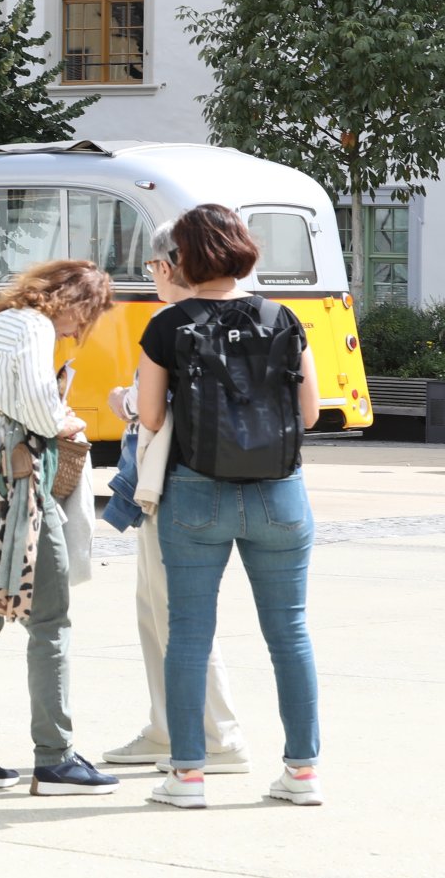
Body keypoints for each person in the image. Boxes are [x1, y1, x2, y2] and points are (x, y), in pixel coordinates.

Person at [137, 204, 323, 809]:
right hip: (280, 493)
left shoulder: (169, 325)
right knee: (289, 632)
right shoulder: (282, 317)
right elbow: (311, 411)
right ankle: (302, 773)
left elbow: (151, 415)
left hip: (196, 492)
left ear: (183, 258)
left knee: (189, 634)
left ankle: (188, 776)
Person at [0, 259, 120, 797]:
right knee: (51, 623)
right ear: (74, 301)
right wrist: (69, 418)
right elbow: (41, 414)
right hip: (14, 499)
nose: (76, 333)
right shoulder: (35, 327)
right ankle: (56, 761)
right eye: (84, 319)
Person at [102, 222, 250, 774]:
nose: (153, 276)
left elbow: (151, 409)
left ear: (169, 265)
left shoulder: (170, 323)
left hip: (175, 487)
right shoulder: (257, 314)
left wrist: (124, 400)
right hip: (237, 482)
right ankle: (169, 727)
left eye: (152, 266)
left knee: (176, 616)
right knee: (159, 611)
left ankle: (216, 736)